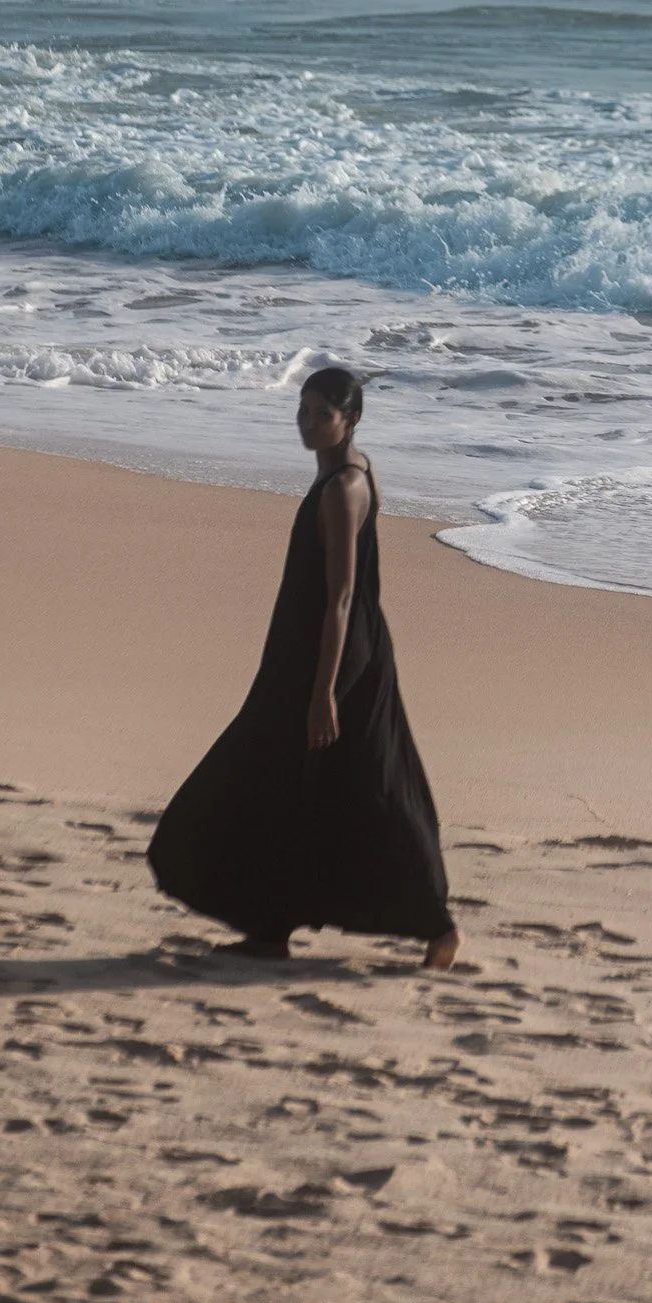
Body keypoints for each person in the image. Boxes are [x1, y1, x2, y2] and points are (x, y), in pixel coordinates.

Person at [147, 364, 459, 969]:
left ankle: (435, 926)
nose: (309, 425)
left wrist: (323, 693)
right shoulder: (353, 471)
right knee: (310, 784)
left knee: (332, 780)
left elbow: (341, 596)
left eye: (323, 414)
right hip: (325, 649)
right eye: (303, 412)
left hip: (332, 657)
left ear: (352, 419)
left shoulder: (344, 489)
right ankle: (271, 928)